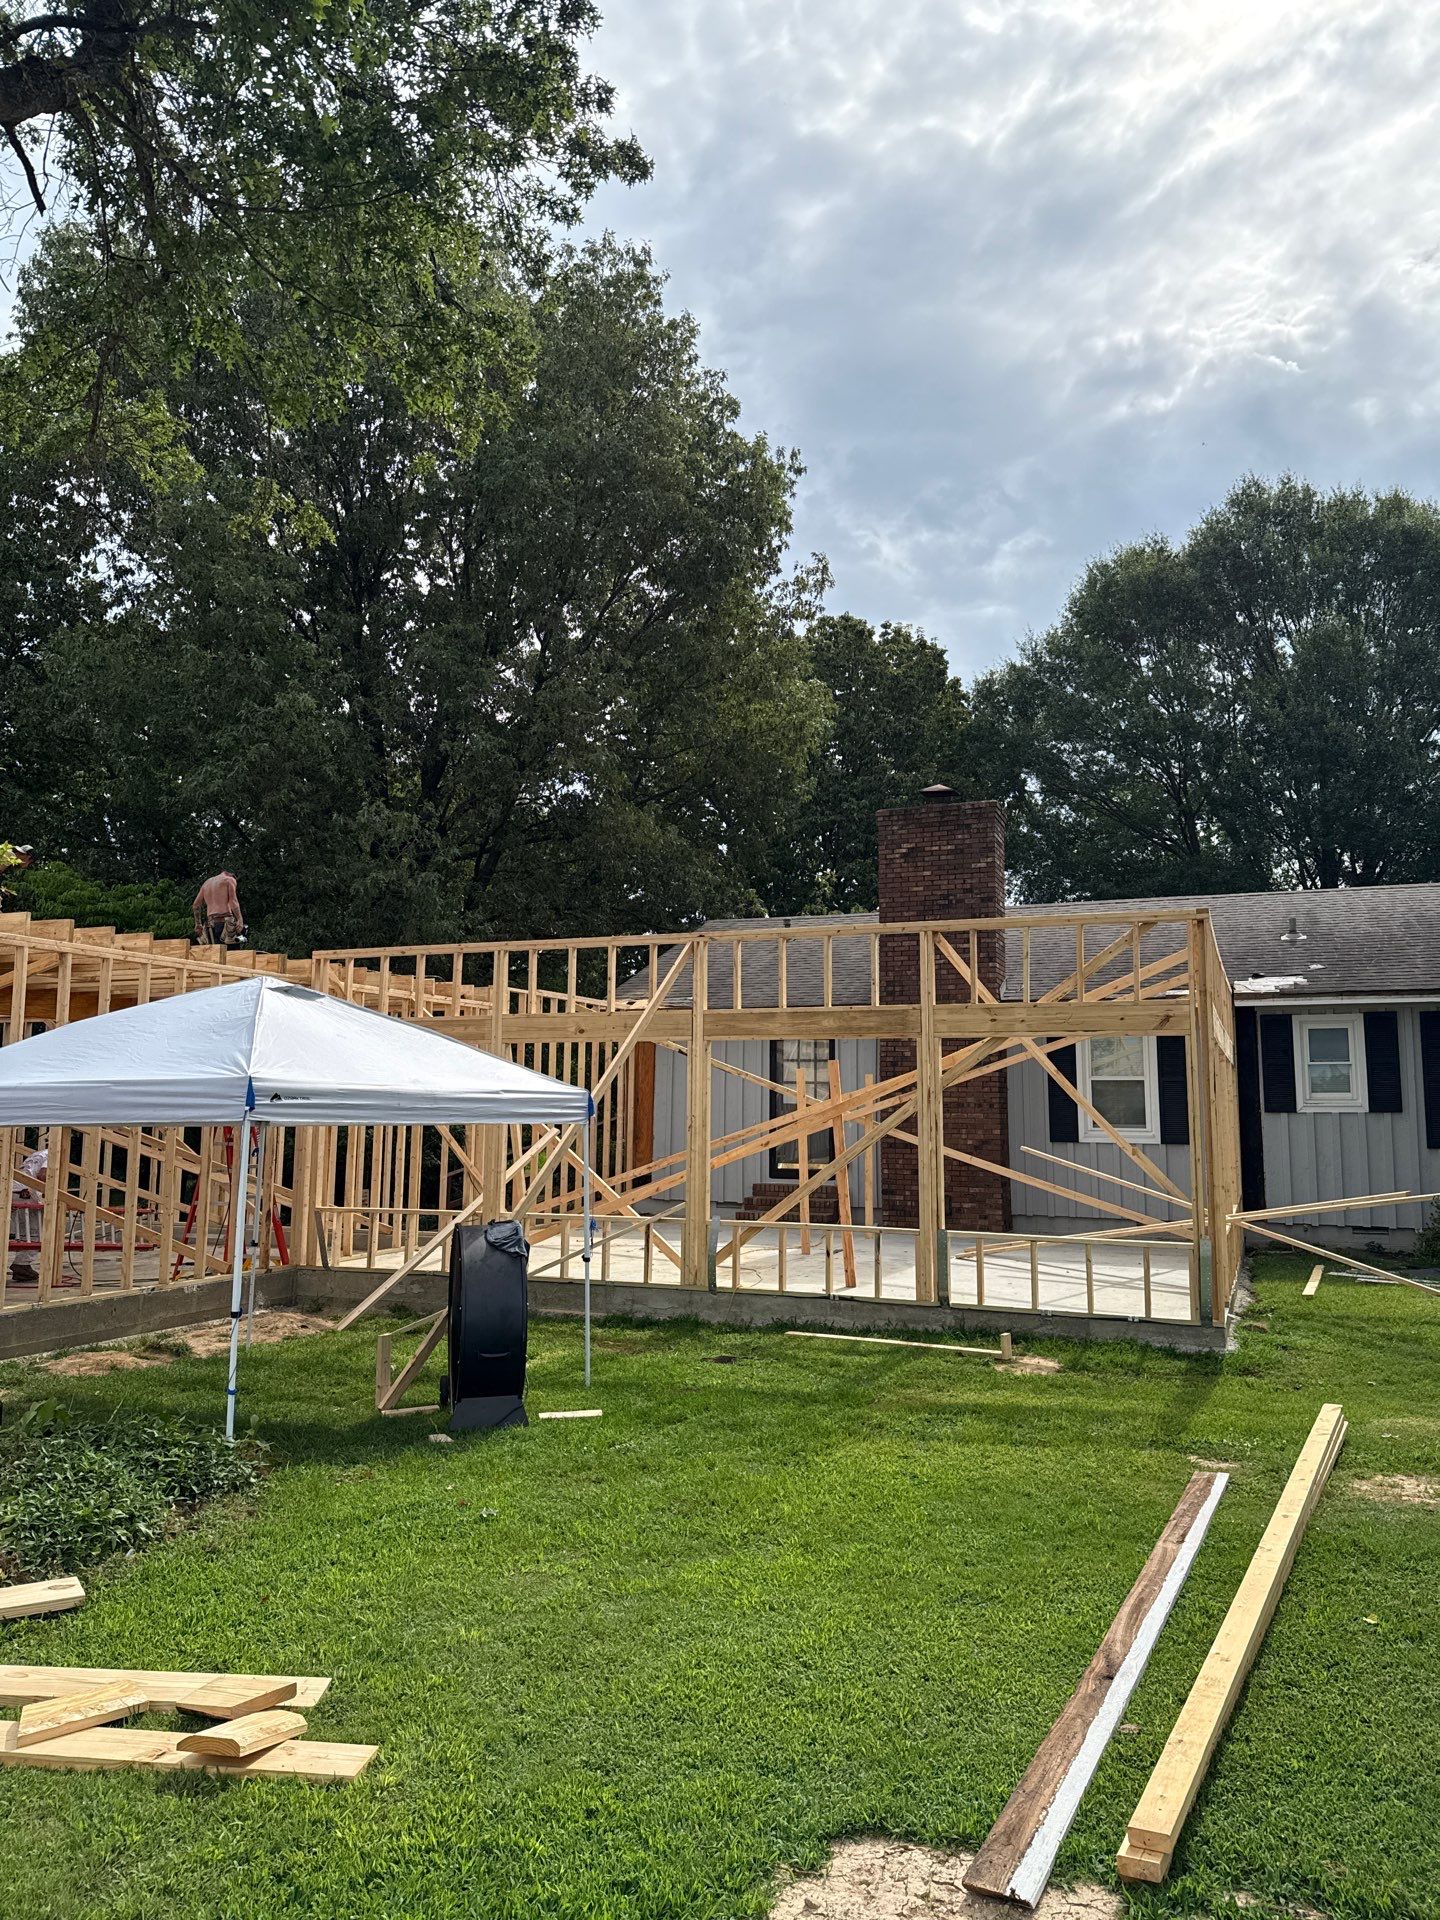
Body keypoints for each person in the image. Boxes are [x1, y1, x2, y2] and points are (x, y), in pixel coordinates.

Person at [192, 870, 246, 947]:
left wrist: (198, 924)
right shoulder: (229, 879)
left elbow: (195, 905)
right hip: (226, 925)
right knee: (231, 955)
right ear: (231, 875)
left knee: (215, 955)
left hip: (210, 927)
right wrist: (240, 919)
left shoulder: (207, 883)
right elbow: (233, 901)